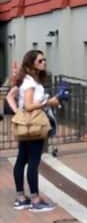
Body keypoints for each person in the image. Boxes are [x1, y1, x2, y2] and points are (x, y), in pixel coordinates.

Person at [11, 50, 59, 212]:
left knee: (22, 159)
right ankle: (35, 199)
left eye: (44, 60)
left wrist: (18, 113)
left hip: (26, 125)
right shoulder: (30, 83)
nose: (44, 62)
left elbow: (12, 97)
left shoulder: (26, 81)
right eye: (40, 61)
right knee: (33, 161)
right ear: (31, 64)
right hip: (34, 126)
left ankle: (21, 197)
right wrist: (48, 102)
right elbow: (29, 106)